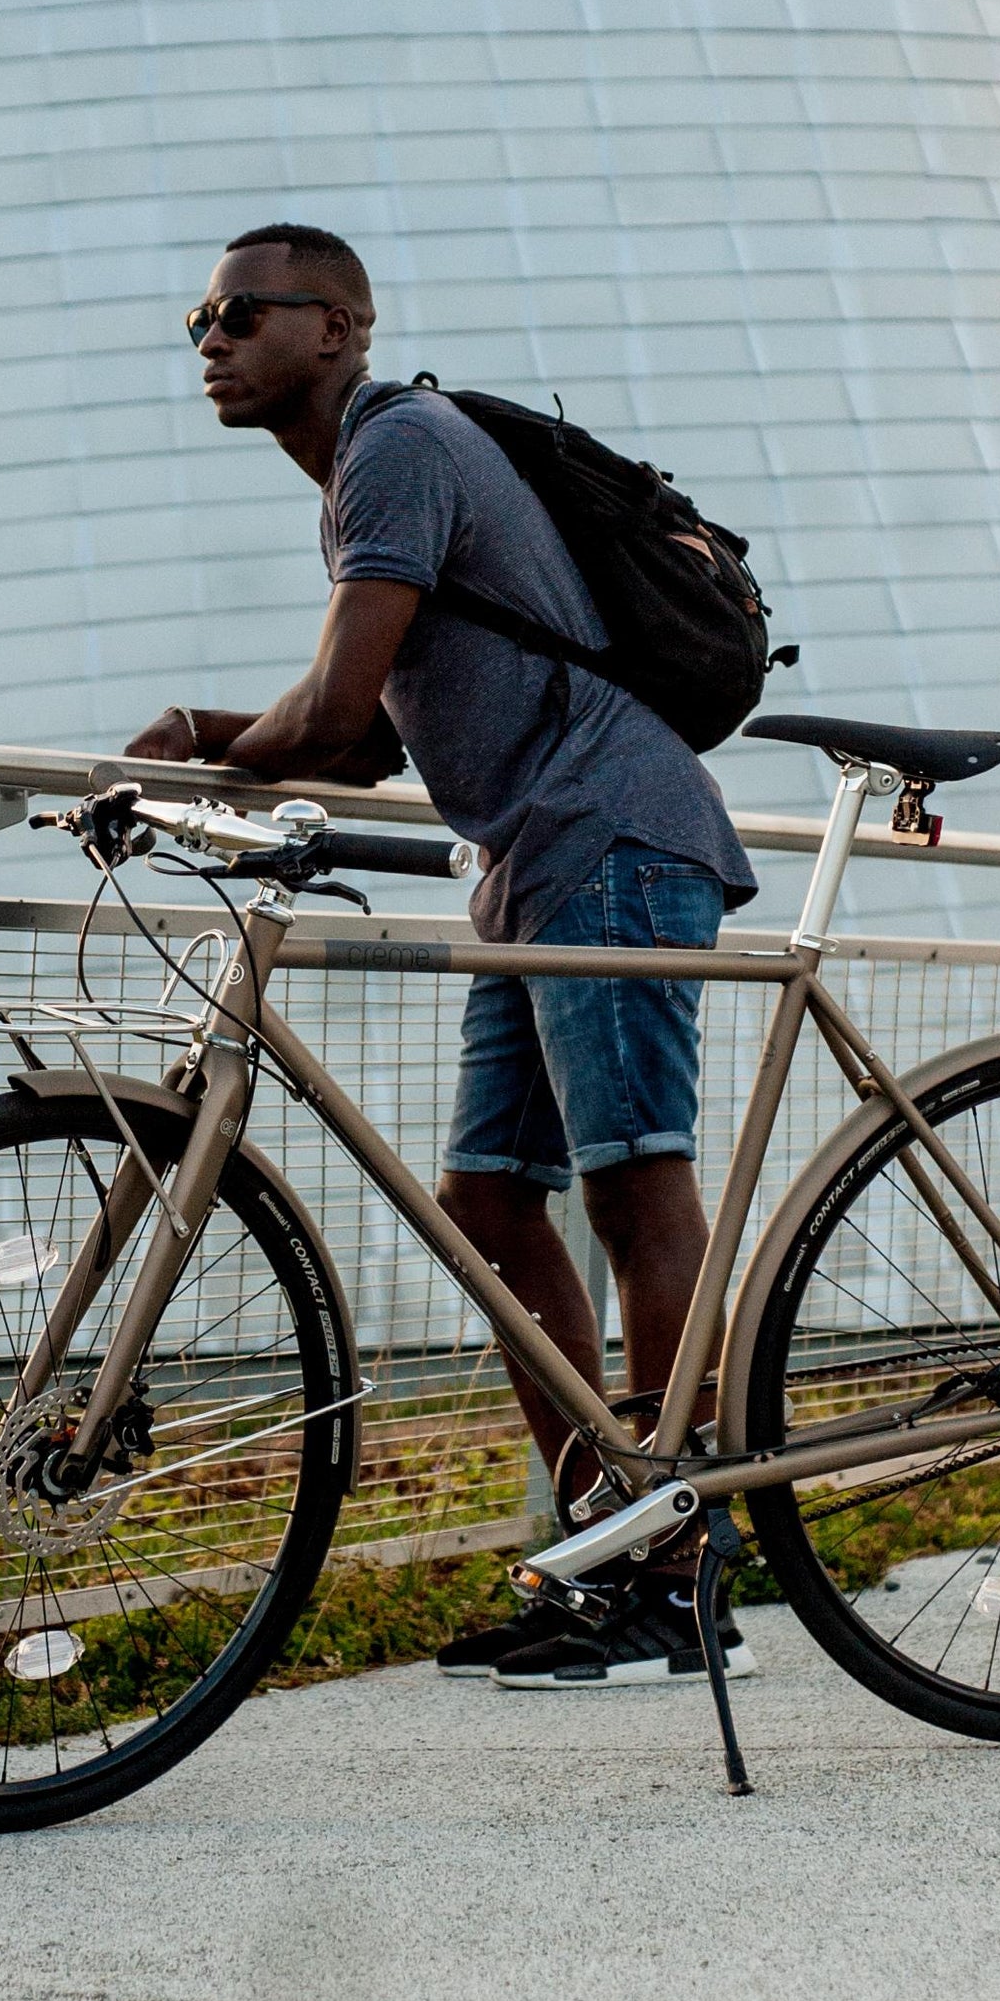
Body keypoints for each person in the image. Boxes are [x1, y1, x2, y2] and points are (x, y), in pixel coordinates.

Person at [126, 221, 761, 1686]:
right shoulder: (367, 473)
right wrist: (213, 740)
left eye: (237, 312)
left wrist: (181, 769)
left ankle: (677, 1563)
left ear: (337, 325)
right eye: (196, 321)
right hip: (534, 861)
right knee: (490, 1202)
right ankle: (616, 1547)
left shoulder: (396, 445)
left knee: (634, 1183)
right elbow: (352, 737)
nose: (209, 342)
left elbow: (336, 712)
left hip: (609, 837)